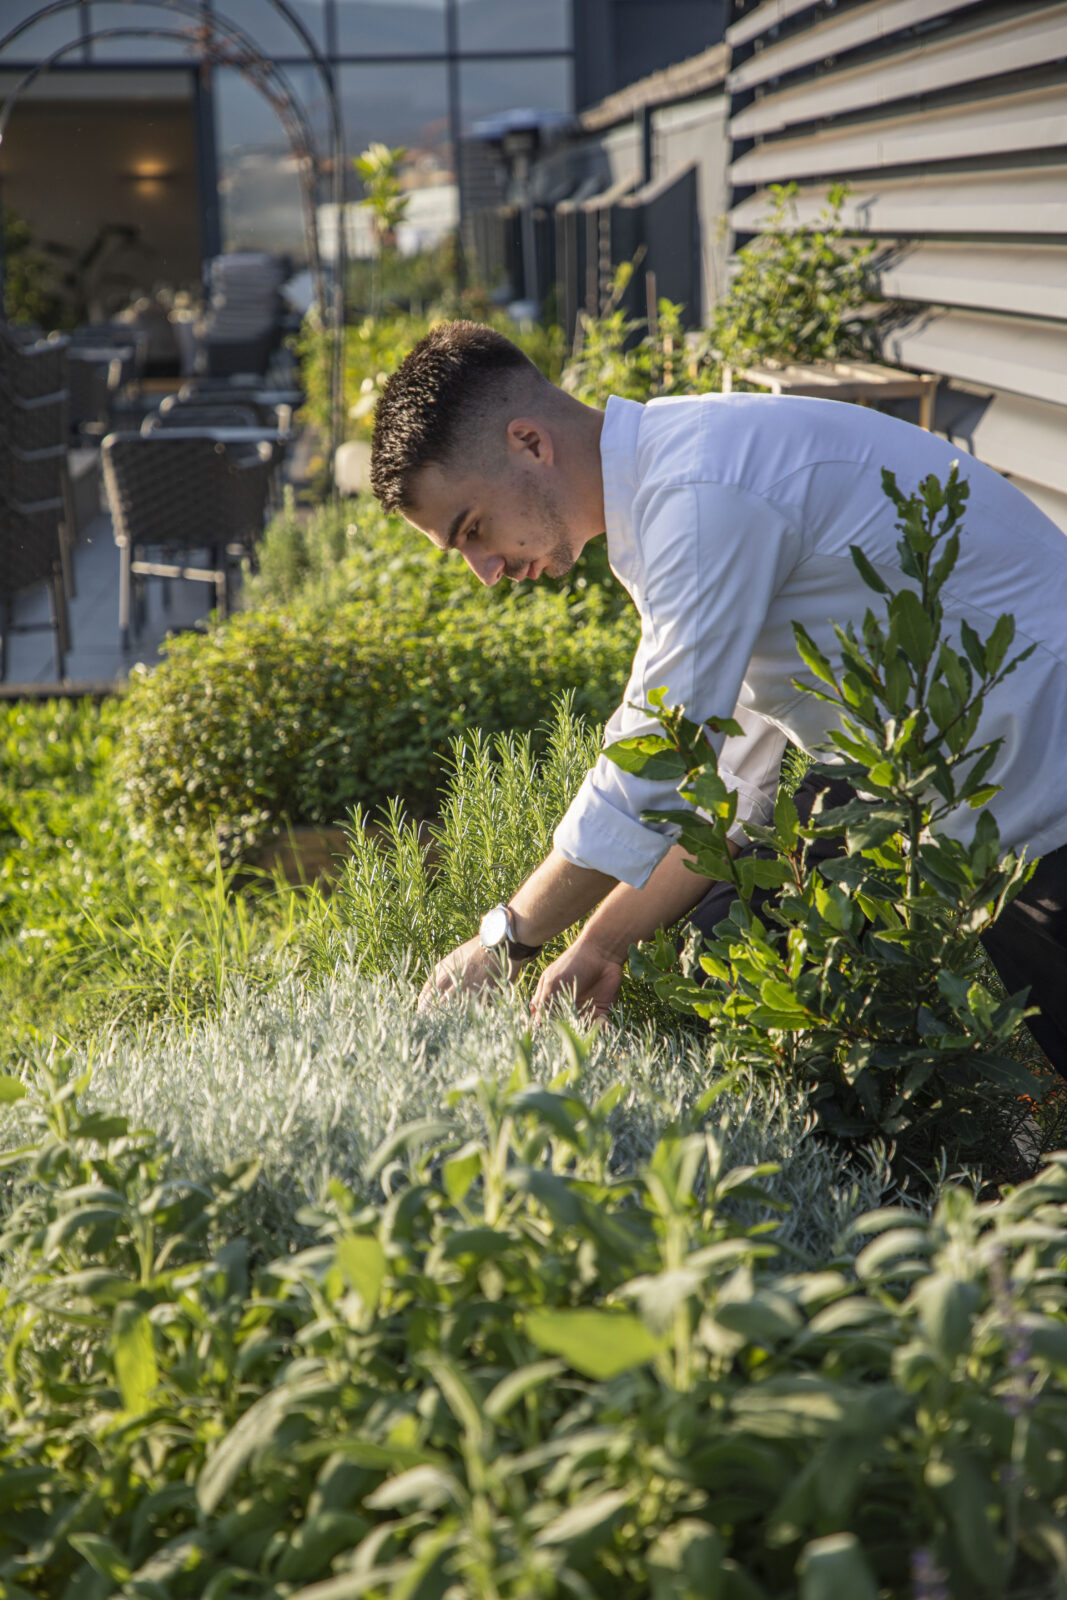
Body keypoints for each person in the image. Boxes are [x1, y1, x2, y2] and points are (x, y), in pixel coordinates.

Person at [369, 321, 1067, 1075]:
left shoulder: (699, 498)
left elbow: (651, 765)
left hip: (1042, 782)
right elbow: (729, 783)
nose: (484, 570)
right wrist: (598, 945)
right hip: (999, 806)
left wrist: (507, 938)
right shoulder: (680, 490)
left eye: (472, 529)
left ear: (529, 443)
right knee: (732, 915)